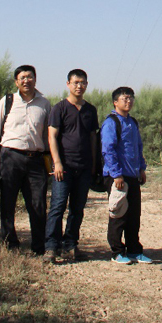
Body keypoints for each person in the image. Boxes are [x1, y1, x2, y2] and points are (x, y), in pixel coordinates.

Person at [0, 64, 51, 255]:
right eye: (22, 77)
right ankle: (10, 245)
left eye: (29, 77)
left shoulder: (45, 104)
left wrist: (52, 161)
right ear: (16, 82)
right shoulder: (7, 101)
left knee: (38, 204)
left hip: (35, 160)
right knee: (8, 203)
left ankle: (39, 247)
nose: (26, 81)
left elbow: (48, 136)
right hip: (10, 157)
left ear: (35, 79)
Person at [44, 69, 99, 263]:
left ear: (87, 85)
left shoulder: (90, 110)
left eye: (83, 82)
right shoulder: (59, 108)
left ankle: (70, 244)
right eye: (76, 82)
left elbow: (93, 138)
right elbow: (52, 136)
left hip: (84, 167)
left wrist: (93, 164)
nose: (79, 86)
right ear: (68, 84)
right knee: (58, 206)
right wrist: (57, 163)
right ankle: (51, 247)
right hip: (64, 167)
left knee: (77, 208)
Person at [101, 86, 152, 265]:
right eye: (125, 98)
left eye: (131, 98)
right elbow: (108, 150)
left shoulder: (132, 122)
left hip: (133, 175)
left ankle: (134, 250)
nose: (128, 101)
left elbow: (138, 147)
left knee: (133, 216)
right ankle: (116, 251)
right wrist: (116, 174)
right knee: (118, 214)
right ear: (115, 102)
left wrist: (141, 168)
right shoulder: (111, 123)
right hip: (118, 177)